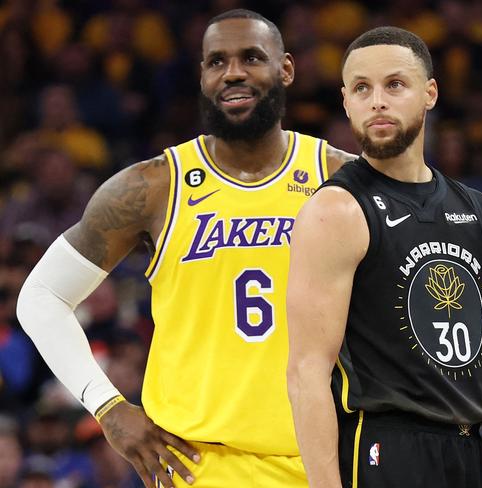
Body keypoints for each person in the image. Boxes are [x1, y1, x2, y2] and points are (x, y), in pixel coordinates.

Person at [17, 9, 354, 488]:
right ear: (202, 76)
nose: (232, 71)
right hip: (195, 467)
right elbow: (41, 297)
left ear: (286, 69)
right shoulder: (152, 187)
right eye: (216, 61)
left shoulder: (342, 180)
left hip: (321, 462)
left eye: (251, 57)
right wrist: (108, 408)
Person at [286, 27, 482, 488]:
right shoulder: (336, 209)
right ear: (345, 102)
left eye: (395, 84)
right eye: (362, 88)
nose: (377, 101)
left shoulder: (480, 213)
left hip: (469, 451)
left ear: (430, 94)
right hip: (385, 449)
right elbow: (307, 373)